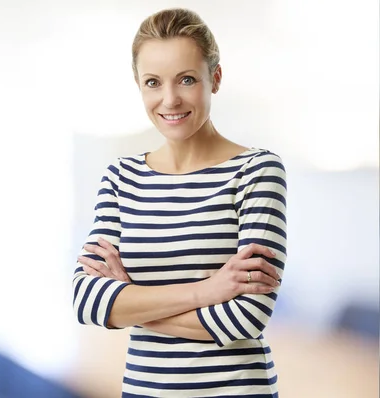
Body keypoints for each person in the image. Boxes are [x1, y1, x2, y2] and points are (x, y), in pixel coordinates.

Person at [73, 7, 287, 398]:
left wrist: (131, 300)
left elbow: (247, 317)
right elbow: (88, 301)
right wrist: (206, 292)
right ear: (138, 85)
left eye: (186, 79)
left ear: (215, 79)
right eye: (153, 82)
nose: (169, 100)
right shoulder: (121, 179)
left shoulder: (256, 171)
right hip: (144, 390)